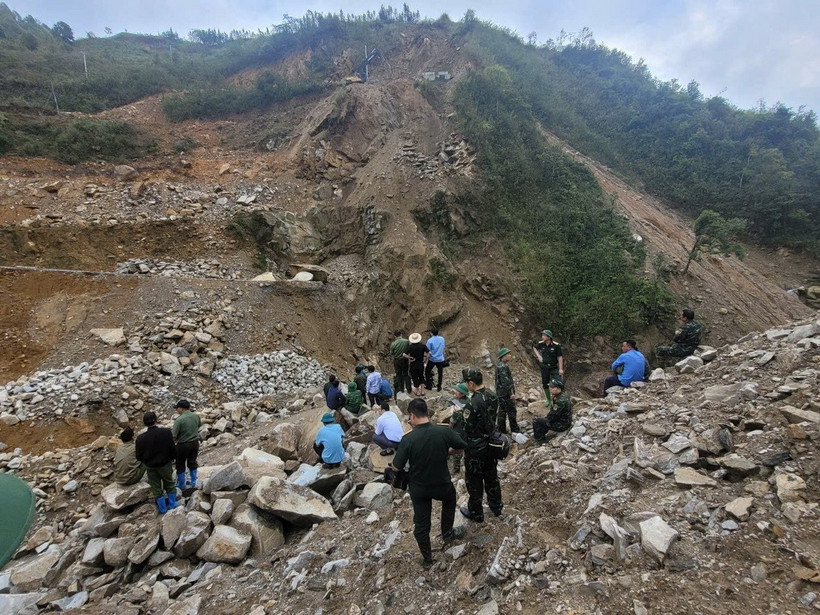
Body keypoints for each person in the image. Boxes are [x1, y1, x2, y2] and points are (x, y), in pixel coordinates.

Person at [391, 398, 467, 567]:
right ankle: (447, 533)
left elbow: (396, 467)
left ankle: (427, 559)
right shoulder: (443, 431)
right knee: (449, 501)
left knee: (422, 523)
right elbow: (462, 446)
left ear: (412, 416)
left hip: (419, 488)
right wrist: (447, 451)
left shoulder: (408, 439)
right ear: (427, 413)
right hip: (442, 483)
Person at [456, 368, 502, 522]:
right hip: (491, 444)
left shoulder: (471, 403)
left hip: (475, 448)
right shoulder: (493, 396)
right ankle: (496, 506)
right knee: (491, 476)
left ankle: (476, 512)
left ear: (470, 383)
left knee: (474, 481)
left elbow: (465, 427)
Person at [135, 411, 178, 514]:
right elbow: (172, 448)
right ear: (156, 420)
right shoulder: (166, 432)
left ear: (144, 423)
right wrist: (173, 458)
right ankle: (172, 505)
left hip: (150, 466)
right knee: (169, 484)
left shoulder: (140, 438)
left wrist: (146, 461)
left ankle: (162, 509)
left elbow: (138, 456)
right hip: (165, 464)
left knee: (156, 488)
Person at [172, 399, 201, 491]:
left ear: (181, 408)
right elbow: (198, 425)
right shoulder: (196, 416)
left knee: (180, 464)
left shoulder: (179, 420)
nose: (177, 410)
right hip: (195, 443)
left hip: (183, 444)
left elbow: (174, 435)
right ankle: (193, 482)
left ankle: (182, 485)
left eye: (177, 408)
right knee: (192, 462)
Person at [532, 329, 564, 405]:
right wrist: (539, 356)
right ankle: (548, 399)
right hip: (544, 367)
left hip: (554, 367)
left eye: (544, 335)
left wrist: (560, 369)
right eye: (542, 335)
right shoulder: (541, 344)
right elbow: (534, 347)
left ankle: (561, 399)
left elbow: (560, 357)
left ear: (549, 337)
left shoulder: (556, 346)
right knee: (545, 383)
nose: (542, 337)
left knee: (559, 383)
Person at [495, 347, 519, 433]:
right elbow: (506, 382)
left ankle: (501, 429)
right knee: (512, 411)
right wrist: (510, 393)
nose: (510, 356)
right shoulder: (503, 367)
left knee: (502, 411)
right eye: (508, 354)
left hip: (500, 393)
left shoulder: (499, 365)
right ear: (503, 356)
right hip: (505, 394)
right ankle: (515, 431)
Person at [389, 331, 412, 398]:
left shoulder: (393, 344)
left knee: (399, 375)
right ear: (401, 334)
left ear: (395, 336)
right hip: (405, 359)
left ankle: (401, 389)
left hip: (397, 360)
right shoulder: (406, 341)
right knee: (406, 374)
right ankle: (409, 389)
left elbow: (391, 353)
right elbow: (409, 349)